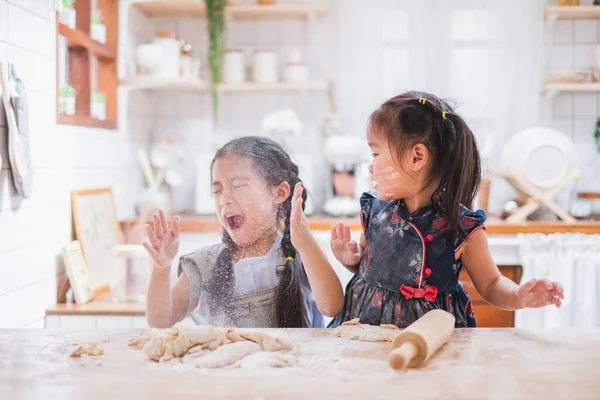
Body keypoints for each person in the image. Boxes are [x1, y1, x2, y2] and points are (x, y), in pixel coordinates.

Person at [330, 91, 564, 328]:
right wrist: (349, 258)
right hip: (367, 334)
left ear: (417, 157)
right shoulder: (376, 211)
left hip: (432, 340)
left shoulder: (461, 228)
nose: (370, 168)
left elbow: (492, 285)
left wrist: (519, 297)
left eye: (376, 154)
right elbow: (366, 265)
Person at [144, 136, 344, 328]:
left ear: (279, 193)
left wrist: (307, 243)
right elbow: (161, 321)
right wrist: (161, 268)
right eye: (217, 190)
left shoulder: (302, 255)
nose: (224, 200)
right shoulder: (205, 264)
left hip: (294, 363)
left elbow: (332, 307)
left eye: (238, 185)